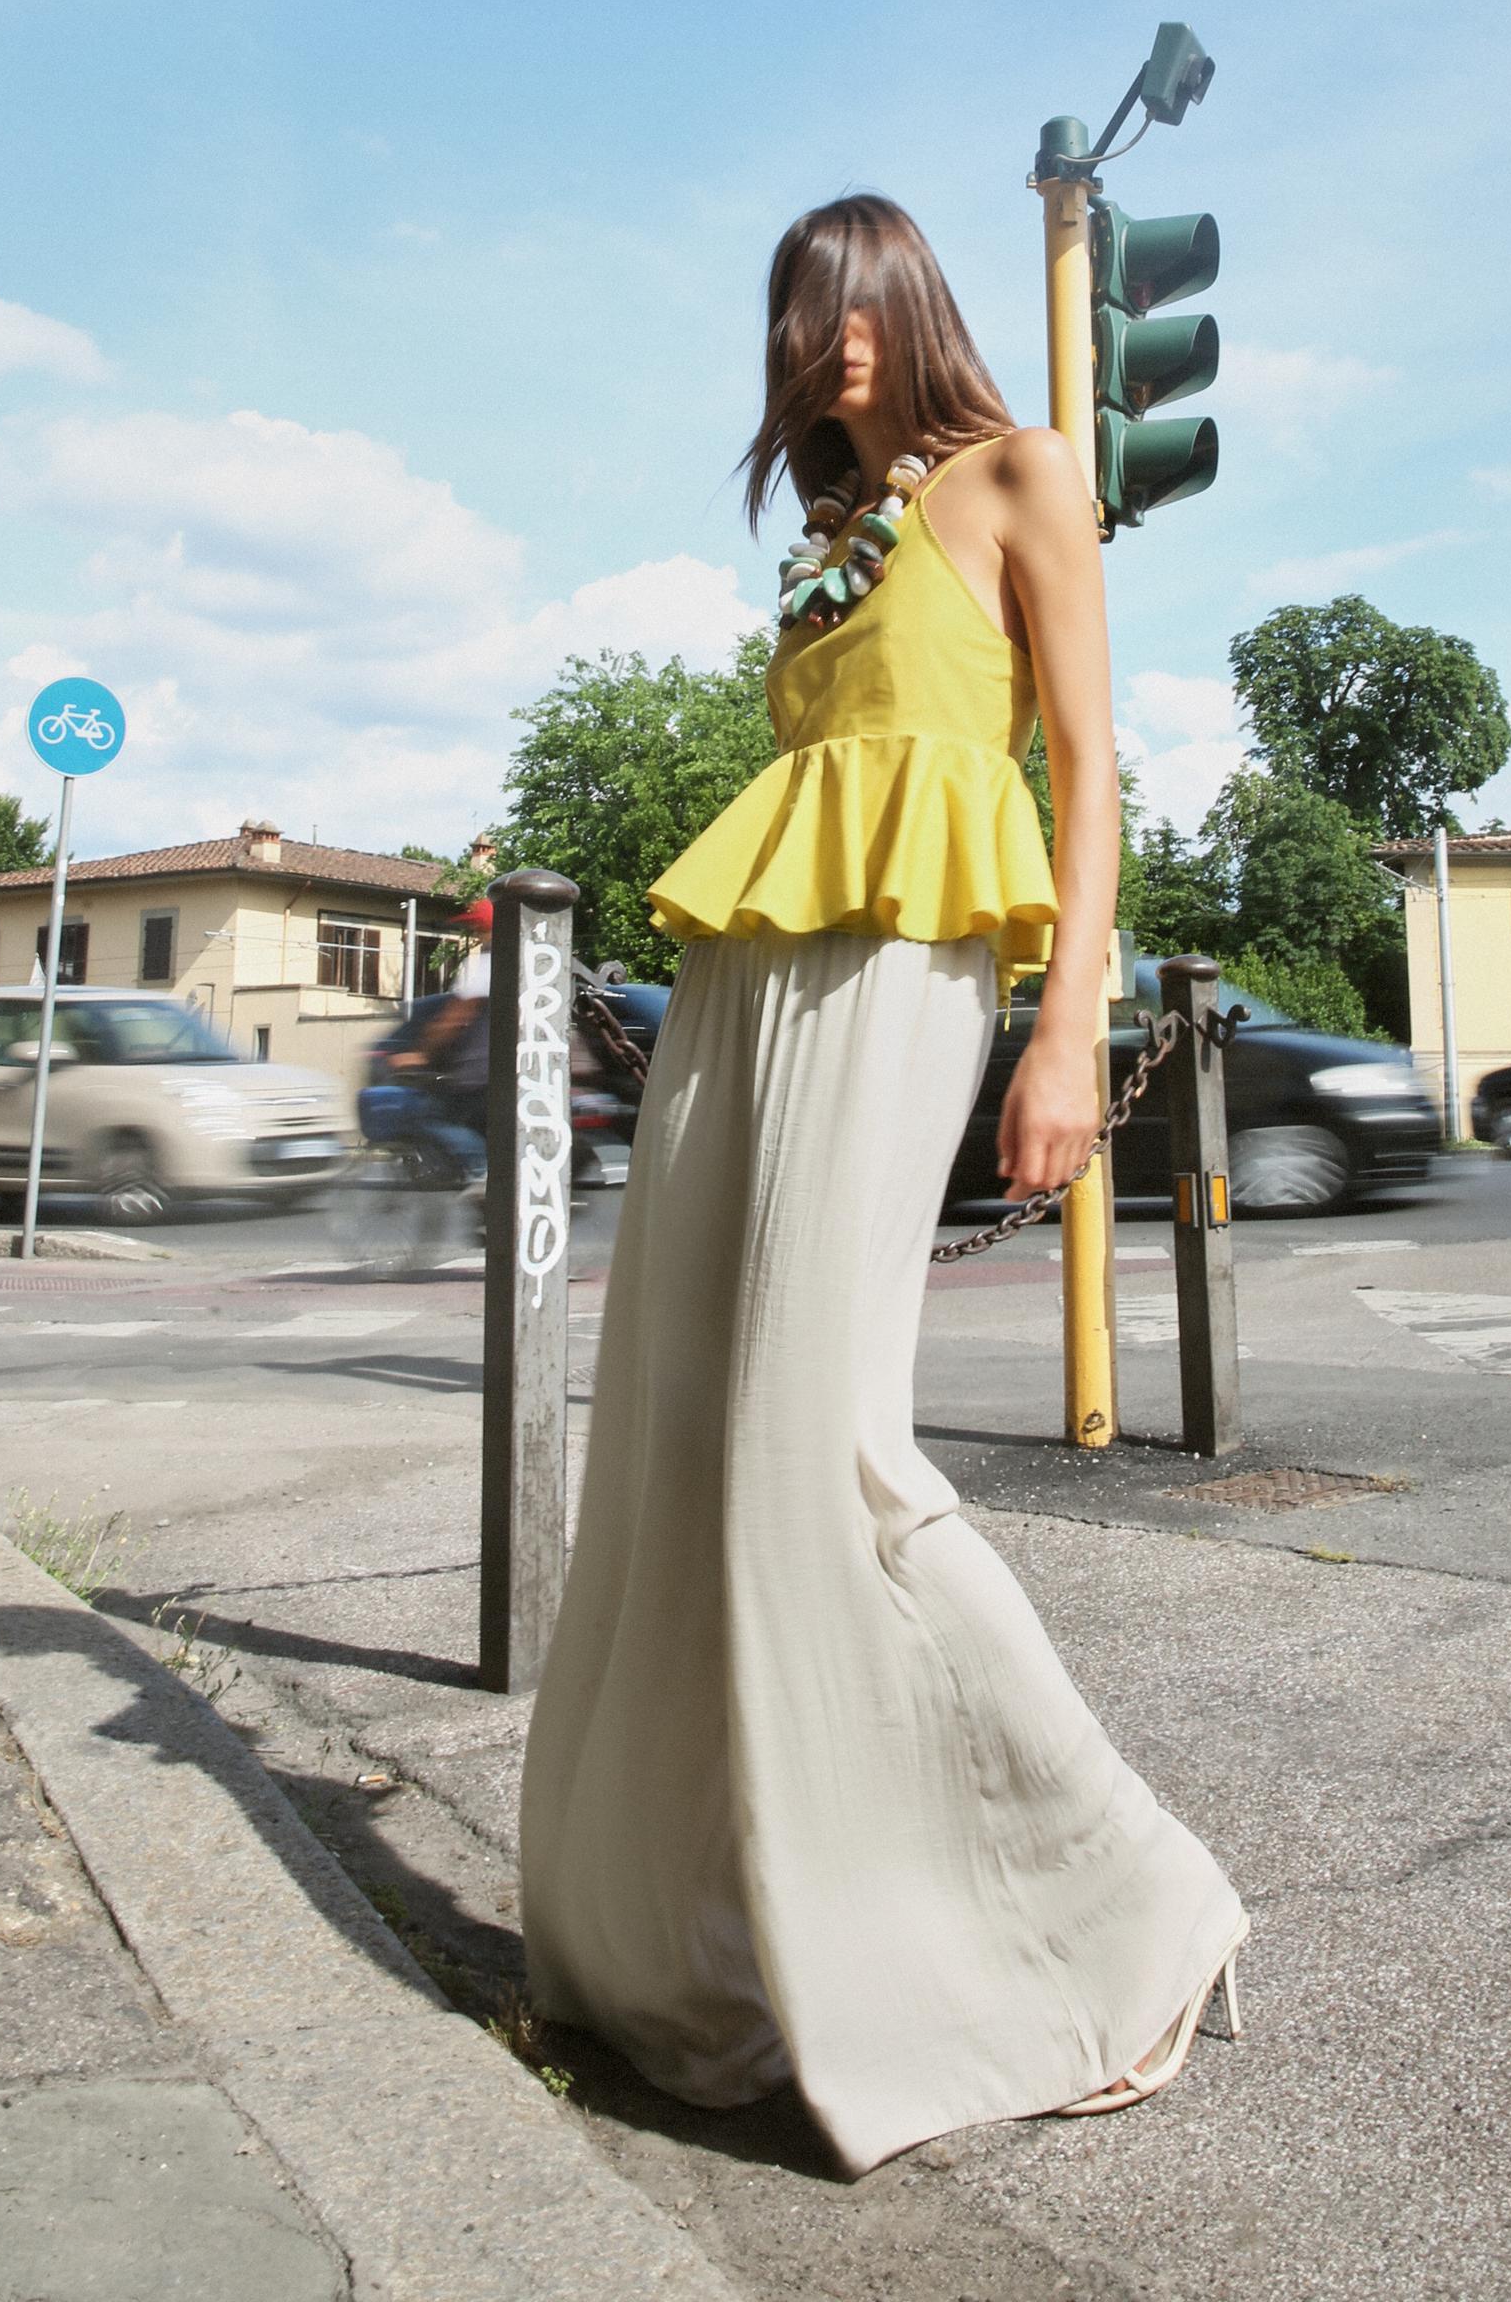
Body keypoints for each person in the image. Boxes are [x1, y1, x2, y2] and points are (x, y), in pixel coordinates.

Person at [518, 194, 1245, 2174]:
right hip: (743, 989)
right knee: (681, 1439)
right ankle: (727, 1954)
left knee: (825, 1448)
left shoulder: (1026, 473)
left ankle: (1130, 1914)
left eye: (858, 299)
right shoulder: (828, 548)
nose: (831, 335)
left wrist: (1068, 1029)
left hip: (909, 971)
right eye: (800, 310)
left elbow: (1086, 768)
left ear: (913, 301)